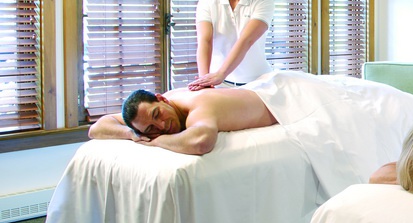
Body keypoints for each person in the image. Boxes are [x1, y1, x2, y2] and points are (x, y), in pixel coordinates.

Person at [88, 87, 277, 155]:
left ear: (161, 99)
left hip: (281, 96)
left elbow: (201, 142)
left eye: (157, 115)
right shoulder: (144, 115)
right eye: (151, 128)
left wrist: (155, 140)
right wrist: (132, 134)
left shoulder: (197, 105)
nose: (162, 126)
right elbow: (96, 128)